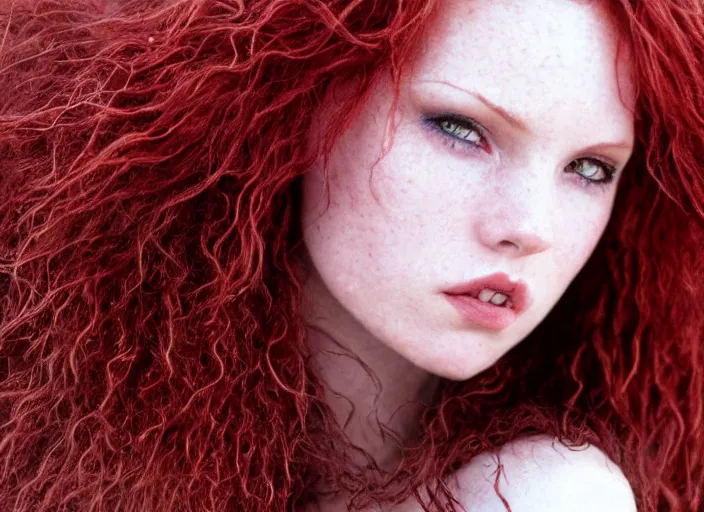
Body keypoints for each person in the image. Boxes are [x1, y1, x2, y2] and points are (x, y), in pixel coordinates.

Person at [0, 0, 701, 510]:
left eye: (590, 168)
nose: (530, 226)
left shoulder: (545, 495)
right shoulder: (47, 425)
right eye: (460, 128)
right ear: (292, 104)